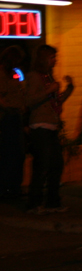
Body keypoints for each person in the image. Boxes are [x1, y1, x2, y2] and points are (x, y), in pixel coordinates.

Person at [25, 45, 73, 214]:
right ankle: (33, 204)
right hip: (40, 126)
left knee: (56, 165)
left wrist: (69, 89)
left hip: (51, 125)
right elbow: (30, 100)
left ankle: (53, 202)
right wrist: (48, 90)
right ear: (44, 58)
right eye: (52, 57)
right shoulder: (34, 76)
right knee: (42, 165)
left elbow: (55, 102)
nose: (55, 60)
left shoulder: (47, 76)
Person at [0, 45, 27, 200]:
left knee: (18, 154)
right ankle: (7, 188)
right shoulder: (2, 74)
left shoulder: (13, 74)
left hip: (16, 116)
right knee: (9, 154)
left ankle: (14, 187)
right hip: (7, 118)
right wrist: (12, 107)